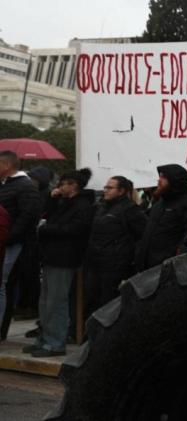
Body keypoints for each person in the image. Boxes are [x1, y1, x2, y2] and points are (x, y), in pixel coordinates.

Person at [26, 169, 94, 357]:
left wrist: (47, 229)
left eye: (63, 184)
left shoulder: (82, 205)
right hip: (52, 256)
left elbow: (75, 229)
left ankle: (55, 342)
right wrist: (52, 198)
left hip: (64, 258)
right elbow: (46, 212)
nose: (59, 187)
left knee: (56, 302)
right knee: (45, 302)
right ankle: (44, 339)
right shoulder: (64, 202)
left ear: (73, 185)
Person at [83, 176, 147, 316]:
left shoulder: (130, 210)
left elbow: (142, 235)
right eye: (105, 187)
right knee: (92, 303)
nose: (105, 190)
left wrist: (127, 258)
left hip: (114, 267)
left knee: (108, 305)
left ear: (121, 191)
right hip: (95, 264)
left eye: (110, 188)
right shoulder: (101, 208)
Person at [0, 151, 44, 328]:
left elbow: (28, 216)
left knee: (1, 285)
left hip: (11, 244)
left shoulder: (25, 186)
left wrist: (8, 238)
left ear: (7, 165)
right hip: (5, 241)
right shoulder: (6, 184)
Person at [133, 164, 187, 271]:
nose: (159, 180)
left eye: (163, 177)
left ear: (175, 181)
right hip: (146, 269)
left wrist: (173, 262)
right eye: (159, 176)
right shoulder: (158, 204)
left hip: (167, 270)